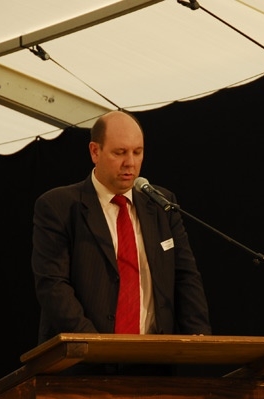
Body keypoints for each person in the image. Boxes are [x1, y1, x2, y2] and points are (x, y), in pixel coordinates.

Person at [31, 110, 212, 347]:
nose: (131, 163)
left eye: (138, 152)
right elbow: (53, 286)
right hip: (84, 357)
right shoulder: (59, 206)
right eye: (120, 152)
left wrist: (200, 338)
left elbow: (185, 275)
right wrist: (98, 346)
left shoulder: (161, 204)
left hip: (154, 357)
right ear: (95, 151)